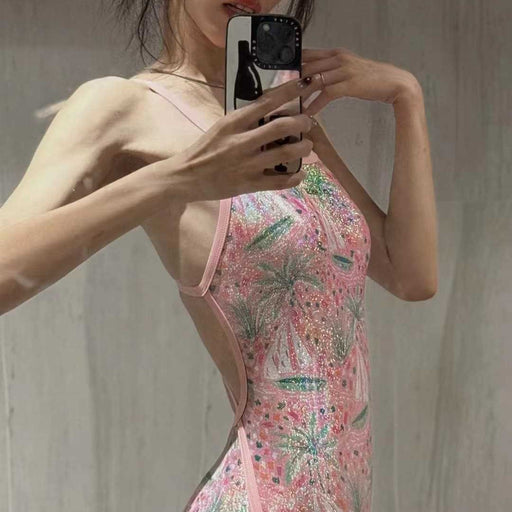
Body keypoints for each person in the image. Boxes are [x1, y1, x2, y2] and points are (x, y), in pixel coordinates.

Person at [0, 0, 438, 510]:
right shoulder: (122, 107)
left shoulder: (282, 119)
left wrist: (407, 97)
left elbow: (411, 275)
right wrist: (180, 178)